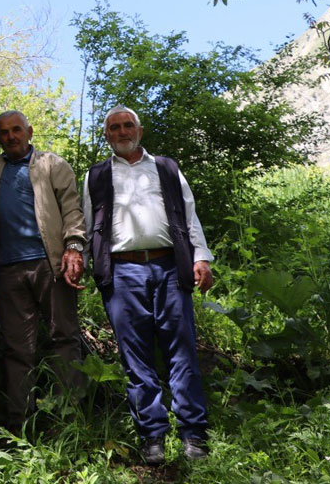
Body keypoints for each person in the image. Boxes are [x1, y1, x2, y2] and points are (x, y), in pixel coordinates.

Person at [82, 105, 214, 465]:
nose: (122, 132)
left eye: (128, 126)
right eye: (115, 127)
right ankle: (152, 435)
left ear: (139, 131)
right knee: (135, 358)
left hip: (170, 268)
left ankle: (194, 435)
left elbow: (189, 216)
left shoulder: (166, 168)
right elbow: (85, 226)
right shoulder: (96, 176)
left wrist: (201, 257)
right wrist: (76, 256)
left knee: (182, 352)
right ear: (106, 134)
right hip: (122, 274)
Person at [0, 110, 86, 427]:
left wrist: (74, 247)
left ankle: (68, 419)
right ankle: (21, 425)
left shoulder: (52, 165)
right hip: (8, 272)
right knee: (17, 350)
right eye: (3, 132)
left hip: (51, 265)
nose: (10, 137)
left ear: (29, 131)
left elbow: (72, 210)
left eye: (16, 130)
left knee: (64, 339)